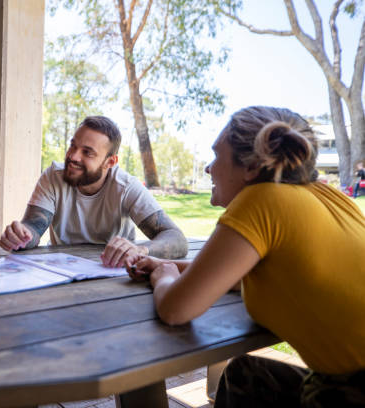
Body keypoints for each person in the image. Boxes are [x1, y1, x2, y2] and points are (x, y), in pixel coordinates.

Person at [128, 106, 365, 407]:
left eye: (216, 156)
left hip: (351, 388)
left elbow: (176, 310)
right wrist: (172, 265)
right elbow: (258, 275)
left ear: (251, 168)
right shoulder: (325, 195)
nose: (208, 168)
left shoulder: (261, 199)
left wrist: (164, 276)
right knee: (245, 375)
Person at [0, 115, 188, 267]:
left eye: (87, 152)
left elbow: (177, 238)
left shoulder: (126, 186)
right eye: (73, 145)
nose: (73, 156)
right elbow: (33, 227)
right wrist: (22, 236)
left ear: (110, 162)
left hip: (113, 272)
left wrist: (140, 250)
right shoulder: (53, 176)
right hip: (60, 272)